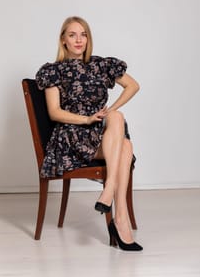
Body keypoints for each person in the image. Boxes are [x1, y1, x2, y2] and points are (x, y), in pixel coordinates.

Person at [35, 16, 143, 251]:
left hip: (100, 134)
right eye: (72, 35)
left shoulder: (100, 65)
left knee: (116, 117)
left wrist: (109, 111)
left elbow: (133, 85)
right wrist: (86, 118)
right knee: (125, 147)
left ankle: (111, 195)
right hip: (72, 137)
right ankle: (120, 219)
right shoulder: (54, 71)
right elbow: (54, 113)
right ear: (63, 40)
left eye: (83, 34)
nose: (78, 39)